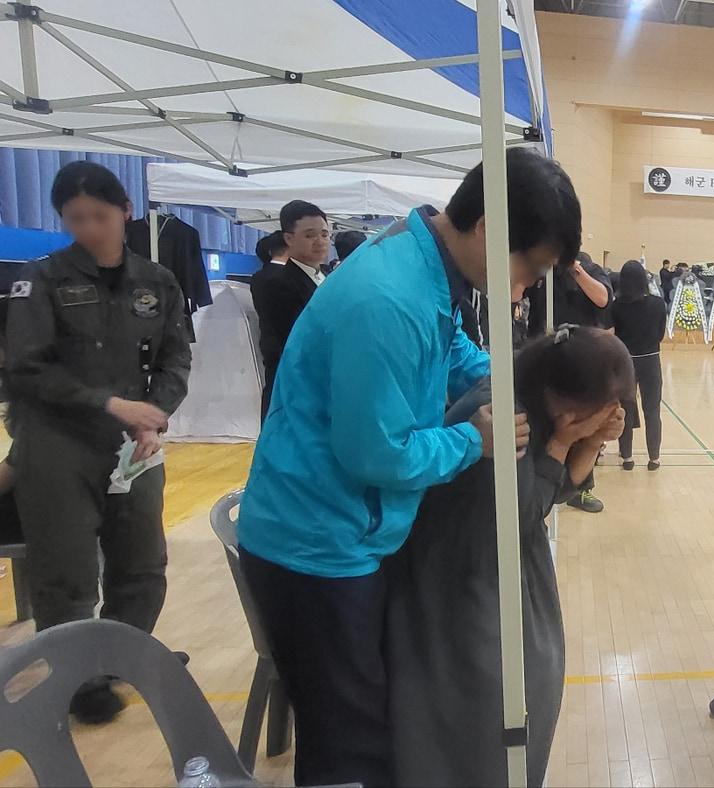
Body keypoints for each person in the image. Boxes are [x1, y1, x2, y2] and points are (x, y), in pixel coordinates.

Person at [236, 147, 581, 787]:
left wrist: (528, 388)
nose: (527, 286)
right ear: (489, 228)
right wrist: (470, 442)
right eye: (529, 267)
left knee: (367, 720)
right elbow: (377, 453)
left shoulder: (425, 264)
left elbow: (452, 351)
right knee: (349, 743)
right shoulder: (390, 297)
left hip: (350, 530)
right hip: (317, 546)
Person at [387, 327, 629, 787]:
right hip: (459, 578)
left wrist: (591, 441)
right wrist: (562, 444)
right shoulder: (506, 419)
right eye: (598, 407)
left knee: (532, 675)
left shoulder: (529, 395)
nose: (606, 414)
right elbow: (520, 513)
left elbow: (554, 491)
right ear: (562, 394)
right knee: (510, 692)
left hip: (494, 560)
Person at [5, 161, 192, 723]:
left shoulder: (157, 282)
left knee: (143, 562)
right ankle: (78, 679)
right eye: (74, 217)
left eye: (100, 216)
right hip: (56, 443)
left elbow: (175, 356)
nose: (88, 228)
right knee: (66, 571)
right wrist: (111, 405)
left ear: (126, 212)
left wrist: (153, 416)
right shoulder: (40, 281)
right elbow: (24, 368)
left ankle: (119, 658)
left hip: (134, 448)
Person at [524, 250, 614, 513]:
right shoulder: (542, 269)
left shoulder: (589, 267)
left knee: (584, 425)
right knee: (543, 424)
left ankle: (581, 489)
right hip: (542, 358)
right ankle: (538, 485)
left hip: (581, 362)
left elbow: (602, 299)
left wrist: (576, 269)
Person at [250, 200, 331, 421]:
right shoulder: (276, 283)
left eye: (325, 234)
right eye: (310, 235)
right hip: (293, 387)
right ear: (288, 238)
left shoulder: (329, 277)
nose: (320, 241)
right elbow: (289, 341)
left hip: (326, 385)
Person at [612, 260, 669, 470]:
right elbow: (661, 334)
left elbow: (613, 335)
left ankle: (627, 457)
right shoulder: (657, 304)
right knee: (652, 410)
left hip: (625, 361)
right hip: (651, 359)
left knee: (625, 409)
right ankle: (654, 457)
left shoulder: (616, 306)